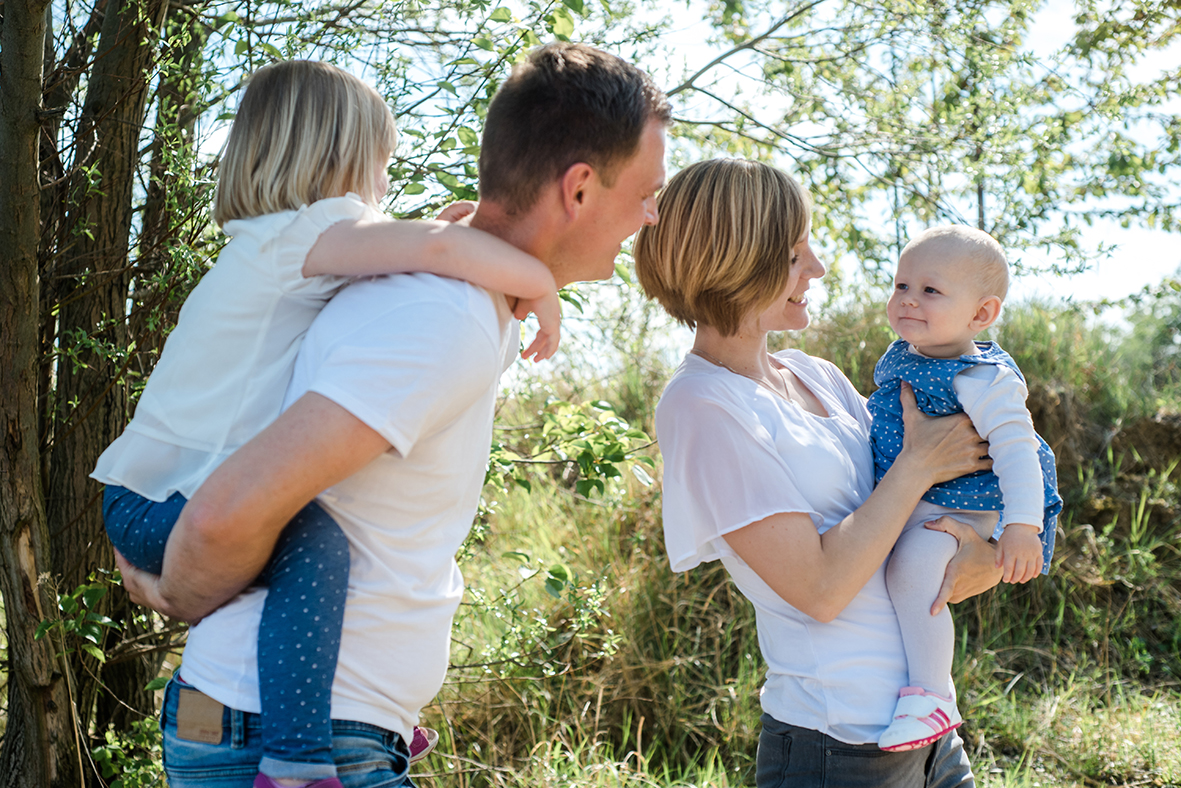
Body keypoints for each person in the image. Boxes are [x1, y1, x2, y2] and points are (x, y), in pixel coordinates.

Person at [115, 43, 671, 788]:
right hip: (286, 735)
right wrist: (178, 592)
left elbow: (436, 241)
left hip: (315, 722)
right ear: (577, 189)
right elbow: (223, 514)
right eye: (646, 192)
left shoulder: (446, 297)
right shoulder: (440, 317)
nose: (652, 214)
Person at [633, 158, 1003, 787]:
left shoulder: (818, 376)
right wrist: (915, 467)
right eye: (796, 250)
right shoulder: (701, 404)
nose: (818, 266)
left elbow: (930, 495)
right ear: (739, 257)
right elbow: (821, 589)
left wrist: (987, 553)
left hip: (931, 732)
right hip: (840, 748)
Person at [867, 225, 1062, 752]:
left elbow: (1019, 451)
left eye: (930, 290)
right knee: (885, 568)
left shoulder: (982, 376)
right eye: (901, 285)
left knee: (912, 572)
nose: (907, 299)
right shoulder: (906, 355)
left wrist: (1021, 528)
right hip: (914, 496)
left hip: (960, 509)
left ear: (981, 314)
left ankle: (933, 696)